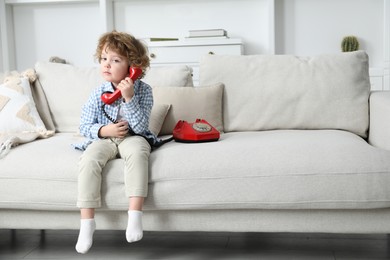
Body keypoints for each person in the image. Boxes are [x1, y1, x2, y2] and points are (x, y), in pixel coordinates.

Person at [73, 30, 158, 254]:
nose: (107, 65)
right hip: (105, 138)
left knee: (139, 153)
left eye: (115, 60)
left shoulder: (144, 92)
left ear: (133, 66)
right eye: (104, 59)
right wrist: (103, 129)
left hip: (132, 137)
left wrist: (128, 98)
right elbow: (84, 126)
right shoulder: (98, 92)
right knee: (89, 159)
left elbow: (140, 128)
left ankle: (135, 216)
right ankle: (87, 224)